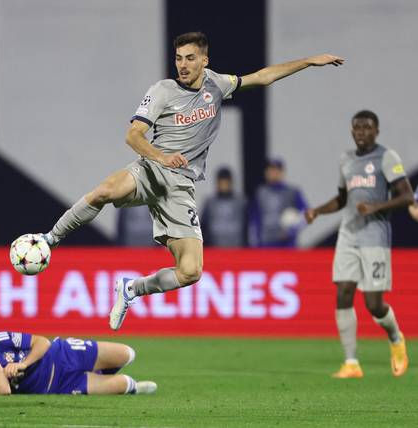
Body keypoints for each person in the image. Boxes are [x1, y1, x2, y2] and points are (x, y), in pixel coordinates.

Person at [40, 31, 343, 331]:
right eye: (178, 58)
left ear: (204, 61)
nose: (182, 65)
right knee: (105, 190)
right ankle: (48, 239)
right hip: (153, 170)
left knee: (190, 272)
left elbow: (262, 77)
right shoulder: (162, 90)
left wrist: (309, 62)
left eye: (190, 58)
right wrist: (161, 157)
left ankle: (132, 289)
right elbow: (133, 135)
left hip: (182, 186)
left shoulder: (218, 84)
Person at [305, 110, 414, 378]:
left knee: (374, 304)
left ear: (376, 131)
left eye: (367, 128)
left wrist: (377, 206)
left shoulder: (387, 157)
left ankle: (396, 338)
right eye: (357, 128)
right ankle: (351, 363)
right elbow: (342, 199)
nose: (361, 132)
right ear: (352, 131)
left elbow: (407, 197)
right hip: (349, 234)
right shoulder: (347, 159)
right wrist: (317, 211)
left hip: (374, 237)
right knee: (343, 293)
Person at [0, 331, 157, 396]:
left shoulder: (0, 340)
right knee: (126, 384)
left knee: (128, 354)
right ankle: (132, 388)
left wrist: (24, 364)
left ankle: (97, 368)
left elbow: (41, 342)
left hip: (62, 353)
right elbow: (3, 390)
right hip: (58, 385)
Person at [249, 158, 308, 247]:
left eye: (277, 170)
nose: (273, 173)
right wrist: (256, 242)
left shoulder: (292, 192)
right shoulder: (260, 193)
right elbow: (254, 218)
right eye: (271, 170)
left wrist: (292, 230)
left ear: (282, 172)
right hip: (266, 245)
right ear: (266, 172)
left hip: (287, 245)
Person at [200, 166, 247, 247]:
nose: (224, 185)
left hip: (237, 249)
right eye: (221, 182)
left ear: (231, 183)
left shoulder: (240, 203)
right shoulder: (210, 203)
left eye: (226, 182)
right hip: (214, 248)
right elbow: (203, 227)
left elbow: (246, 226)